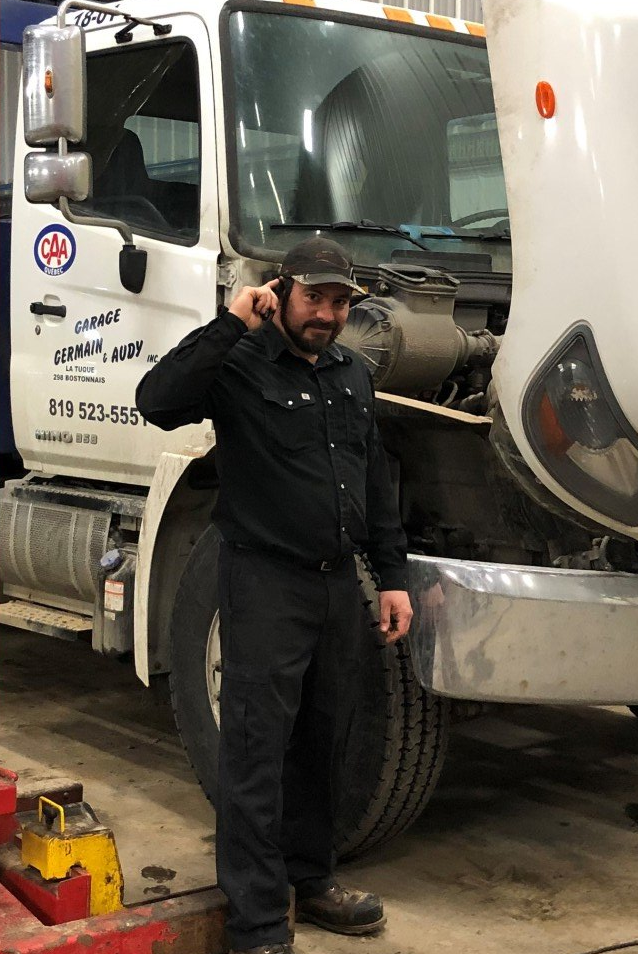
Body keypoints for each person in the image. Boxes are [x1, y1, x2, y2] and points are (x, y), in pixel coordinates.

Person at [136, 237, 413, 954]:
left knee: (324, 741)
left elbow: (375, 483)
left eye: (341, 301)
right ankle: (258, 922)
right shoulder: (238, 362)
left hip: (336, 584)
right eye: (315, 297)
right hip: (263, 582)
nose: (328, 313)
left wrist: (393, 578)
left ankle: (310, 879)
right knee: (256, 751)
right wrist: (232, 322)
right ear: (281, 291)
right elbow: (156, 402)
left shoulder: (352, 374)